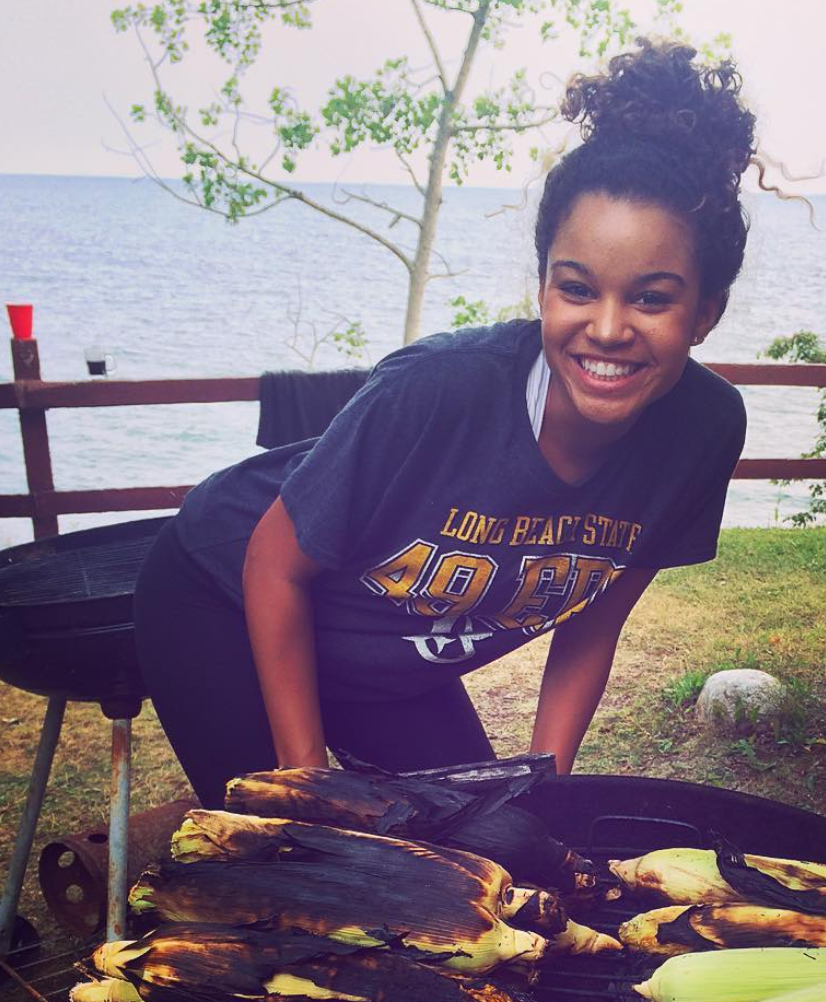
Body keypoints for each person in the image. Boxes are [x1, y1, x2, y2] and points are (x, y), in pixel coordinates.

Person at [134, 37, 755, 809]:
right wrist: (307, 780)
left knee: (494, 845)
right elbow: (272, 562)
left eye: (651, 298)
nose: (606, 327)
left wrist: (543, 795)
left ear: (705, 313)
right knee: (294, 863)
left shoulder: (703, 432)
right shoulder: (437, 390)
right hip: (224, 595)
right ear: (543, 288)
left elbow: (592, 627)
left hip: (382, 659)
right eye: (577, 287)